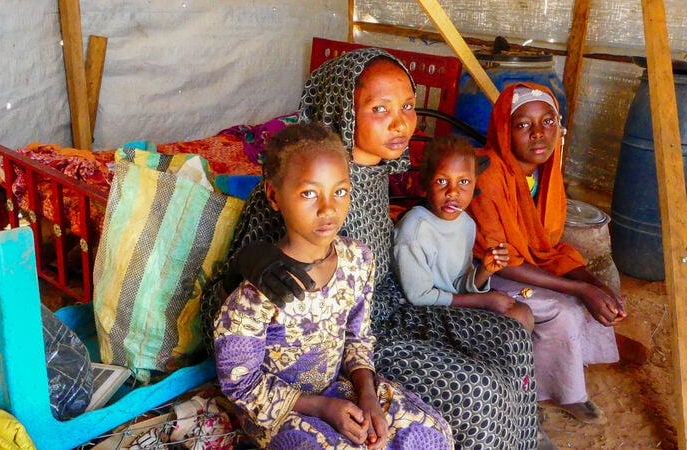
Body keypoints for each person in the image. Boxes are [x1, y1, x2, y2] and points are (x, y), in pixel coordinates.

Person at [202, 47, 538, 449]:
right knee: (478, 391)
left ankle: (522, 440)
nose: (401, 122)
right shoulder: (305, 178)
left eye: (408, 106)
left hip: (388, 308)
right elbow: (230, 300)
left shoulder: (374, 173)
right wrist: (249, 260)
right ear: (344, 110)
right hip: (351, 336)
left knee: (510, 337)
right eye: (380, 109)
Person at [214, 123, 453, 449]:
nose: (328, 209)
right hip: (281, 410)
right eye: (308, 193)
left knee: (431, 435)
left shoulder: (357, 260)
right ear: (273, 195)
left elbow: (358, 337)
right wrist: (322, 408)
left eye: (340, 191)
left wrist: (367, 394)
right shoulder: (258, 293)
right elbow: (242, 385)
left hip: (339, 390)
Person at [468, 82, 627, 424]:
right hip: (481, 273)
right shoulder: (488, 175)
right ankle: (539, 397)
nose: (538, 134)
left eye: (548, 121)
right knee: (563, 308)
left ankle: (565, 388)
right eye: (523, 124)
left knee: (594, 295)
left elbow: (546, 249)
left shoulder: (544, 174)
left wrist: (594, 284)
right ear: (504, 130)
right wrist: (579, 288)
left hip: (522, 266)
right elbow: (500, 260)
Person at [392, 135, 534, 332]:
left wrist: (484, 271)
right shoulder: (413, 232)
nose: (453, 192)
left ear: (475, 184)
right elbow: (419, 296)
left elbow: (458, 285)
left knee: (521, 313)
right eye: (442, 181)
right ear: (426, 184)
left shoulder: (466, 224)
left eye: (464, 181)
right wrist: (482, 300)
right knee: (510, 326)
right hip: (419, 314)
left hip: (452, 305)